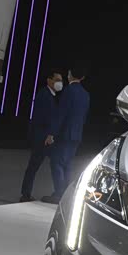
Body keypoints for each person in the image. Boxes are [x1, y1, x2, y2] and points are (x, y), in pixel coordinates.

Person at [43, 65, 90, 203]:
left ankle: (59, 194)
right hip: (76, 134)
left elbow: (61, 114)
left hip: (64, 134)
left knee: (56, 162)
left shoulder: (68, 91)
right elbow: (84, 117)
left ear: (69, 75)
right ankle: (65, 193)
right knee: (67, 164)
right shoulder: (85, 94)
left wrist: (51, 133)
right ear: (83, 77)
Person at [20, 69, 62, 202]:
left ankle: (27, 193)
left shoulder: (51, 96)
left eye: (61, 80)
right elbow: (43, 118)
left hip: (44, 137)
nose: (60, 83)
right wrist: (49, 134)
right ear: (49, 80)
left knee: (37, 165)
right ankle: (26, 194)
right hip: (42, 138)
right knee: (34, 166)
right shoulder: (44, 95)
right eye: (57, 80)